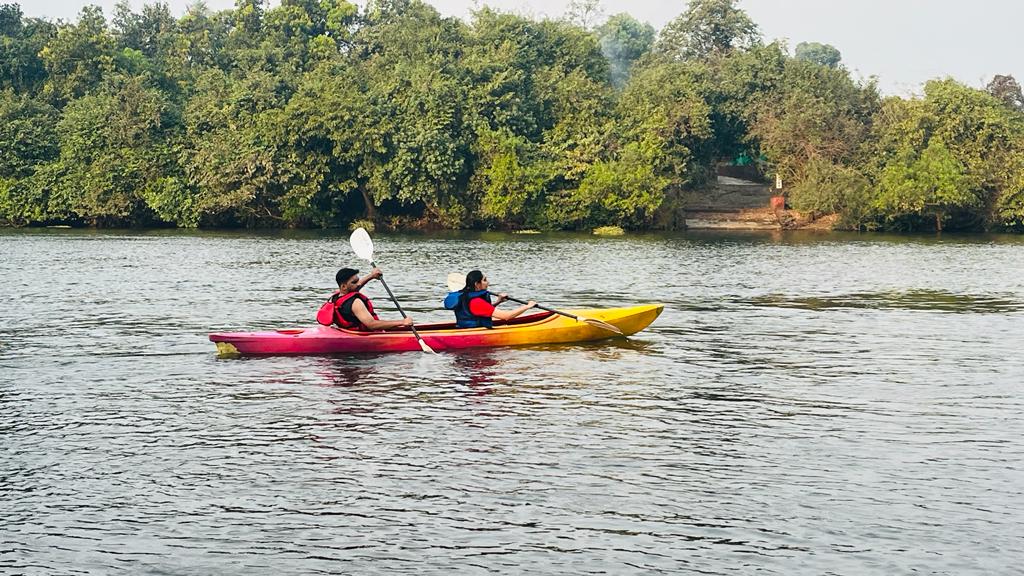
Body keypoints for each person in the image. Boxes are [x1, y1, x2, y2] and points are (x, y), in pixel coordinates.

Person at [327, 267, 413, 331]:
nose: (358, 284)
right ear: (344, 286)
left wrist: (371, 276)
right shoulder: (355, 303)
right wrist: (402, 322)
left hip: (348, 331)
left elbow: (357, 286)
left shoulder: (336, 296)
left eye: (358, 280)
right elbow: (371, 324)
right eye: (354, 282)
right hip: (364, 336)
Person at [445, 270, 536, 328]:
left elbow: (477, 312)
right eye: (484, 280)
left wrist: (498, 302)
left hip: (463, 328)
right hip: (475, 332)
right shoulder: (476, 301)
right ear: (477, 284)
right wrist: (527, 306)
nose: (488, 282)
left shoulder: (464, 296)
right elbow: (506, 316)